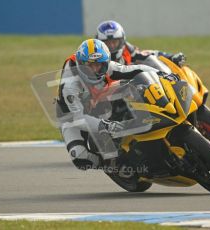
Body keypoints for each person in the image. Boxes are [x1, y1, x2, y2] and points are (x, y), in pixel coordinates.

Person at [56, 38, 162, 171]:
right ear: (80, 64)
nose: (95, 69)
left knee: (127, 87)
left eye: (98, 65)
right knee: (80, 157)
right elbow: (79, 119)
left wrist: (162, 75)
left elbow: (136, 69)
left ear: (105, 63)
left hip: (98, 100)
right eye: (89, 65)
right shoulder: (70, 84)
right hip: (72, 116)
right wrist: (106, 126)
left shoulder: (108, 67)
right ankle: (113, 166)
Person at [95, 20, 186, 72]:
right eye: (107, 43)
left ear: (122, 40)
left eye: (114, 42)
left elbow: (148, 54)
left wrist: (171, 57)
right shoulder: (95, 57)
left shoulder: (129, 50)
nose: (111, 46)